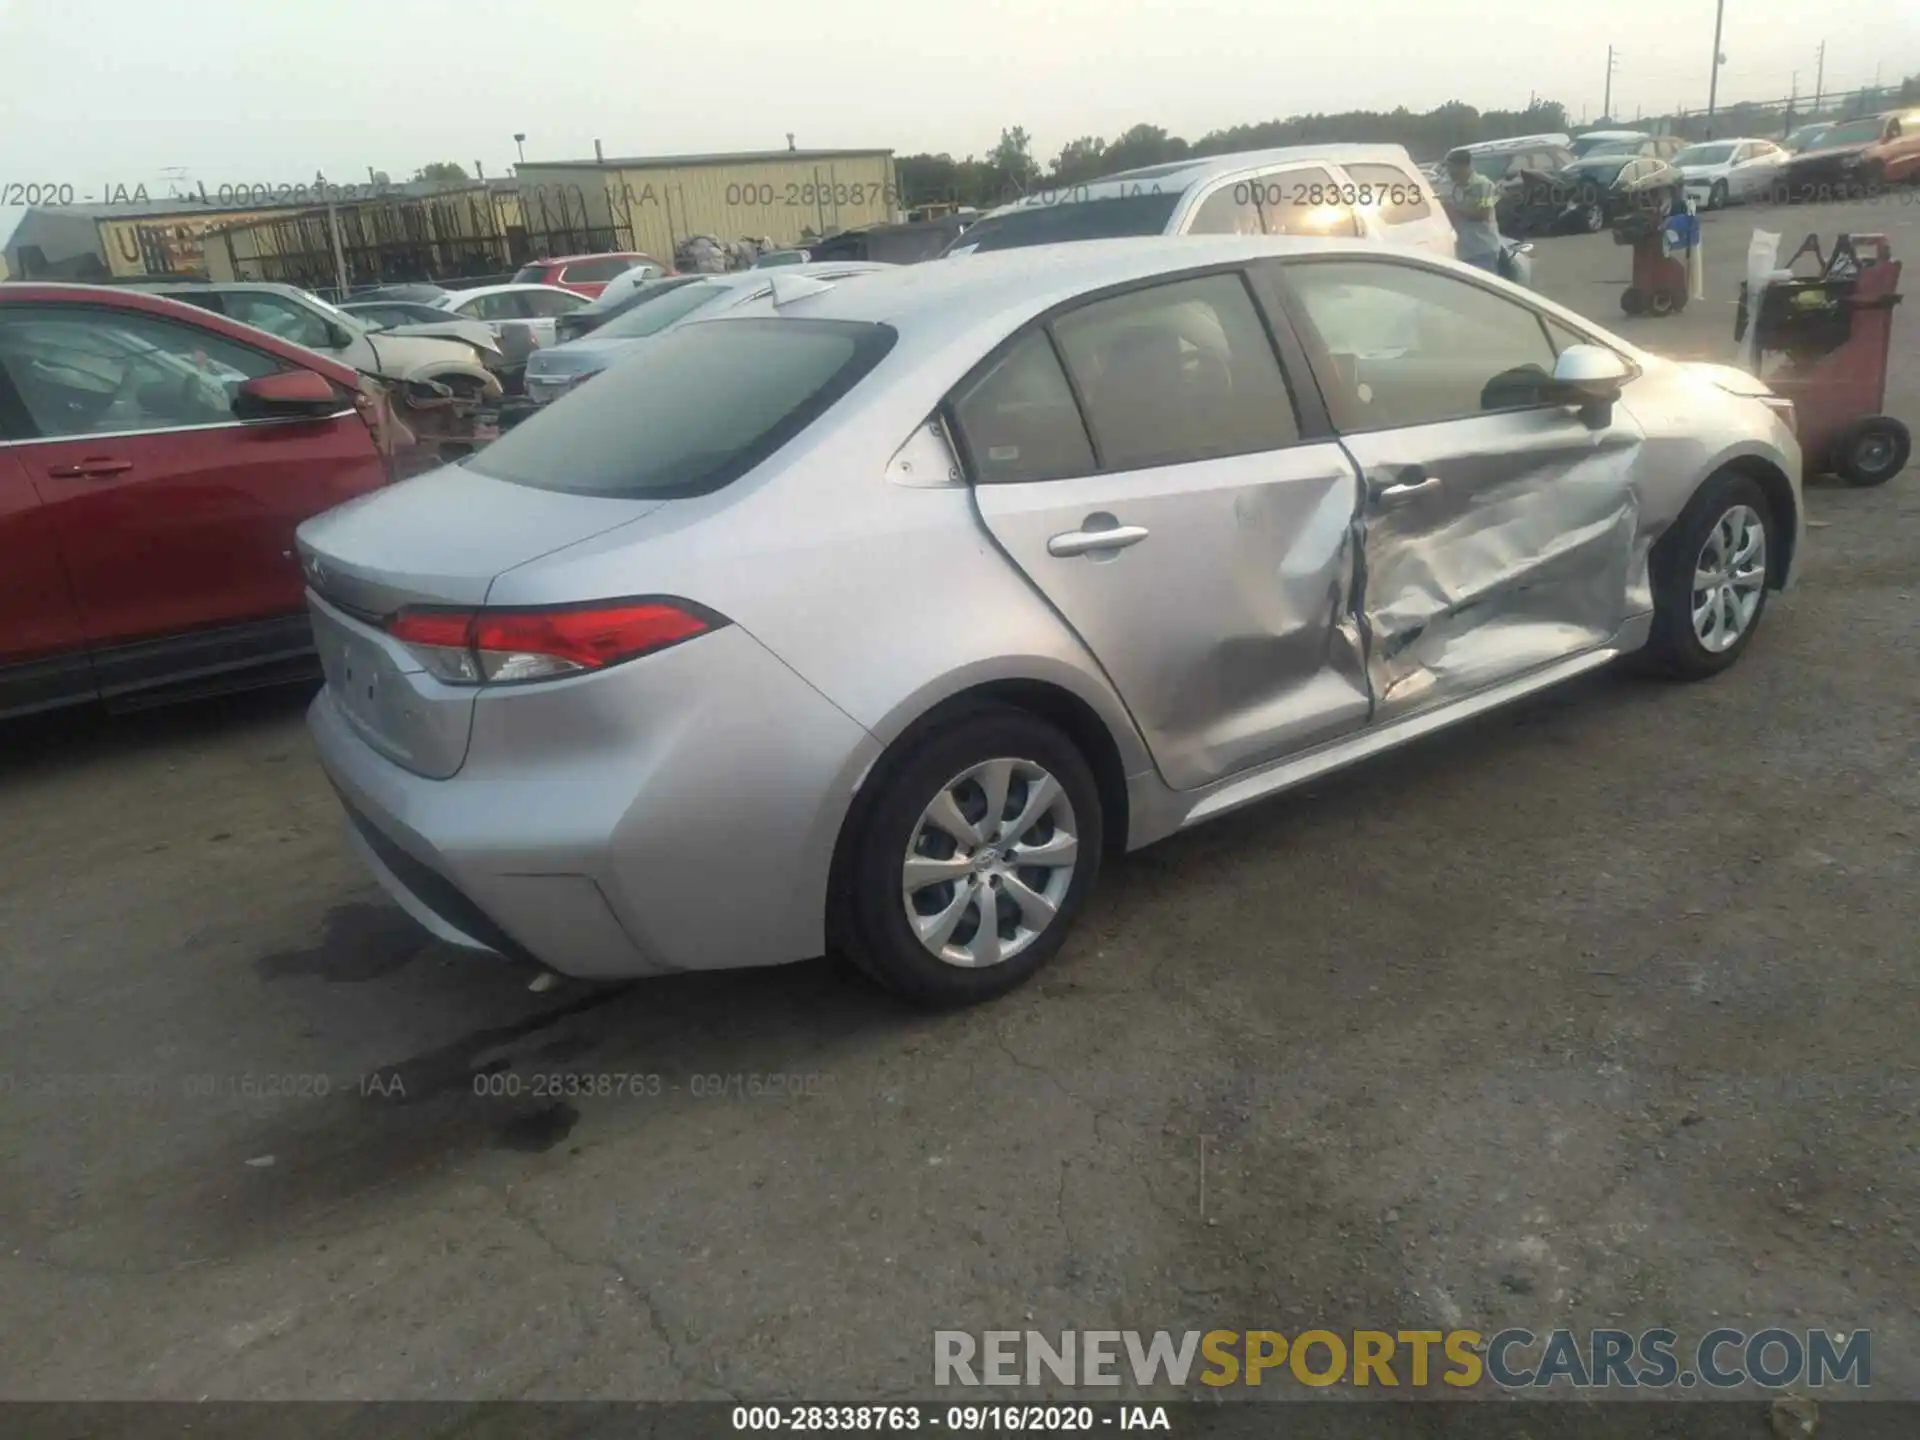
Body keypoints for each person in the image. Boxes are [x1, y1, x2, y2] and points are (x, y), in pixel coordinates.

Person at [1436, 149, 1504, 273]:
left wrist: (1453, 208)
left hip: (1483, 249)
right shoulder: (1448, 185)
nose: (1449, 171)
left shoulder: (1484, 185)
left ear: (1464, 166)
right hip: (1462, 251)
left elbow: (1484, 213)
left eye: (1451, 167)